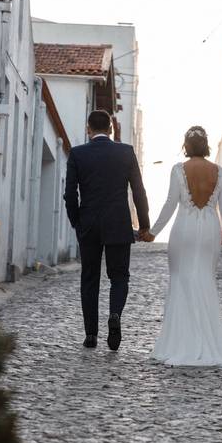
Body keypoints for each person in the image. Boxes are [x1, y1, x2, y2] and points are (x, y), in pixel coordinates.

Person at [143, 126, 222, 367]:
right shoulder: (220, 172)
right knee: (205, 279)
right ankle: (207, 341)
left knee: (181, 280)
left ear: (186, 146)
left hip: (184, 228)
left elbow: (169, 204)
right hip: (209, 229)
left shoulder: (178, 170)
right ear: (206, 145)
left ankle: (179, 342)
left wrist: (154, 232)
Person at [63, 110, 150, 351]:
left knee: (89, 278)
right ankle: (115, 315)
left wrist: (76, 222)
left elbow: (70, 194)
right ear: (111, 129)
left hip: (88, 224)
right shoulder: (125, 152)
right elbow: (138, 191)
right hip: (118, 223)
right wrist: (144, 225)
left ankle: (91, 335)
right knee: (119, 276)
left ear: (88, 128)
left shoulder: (78, 154)